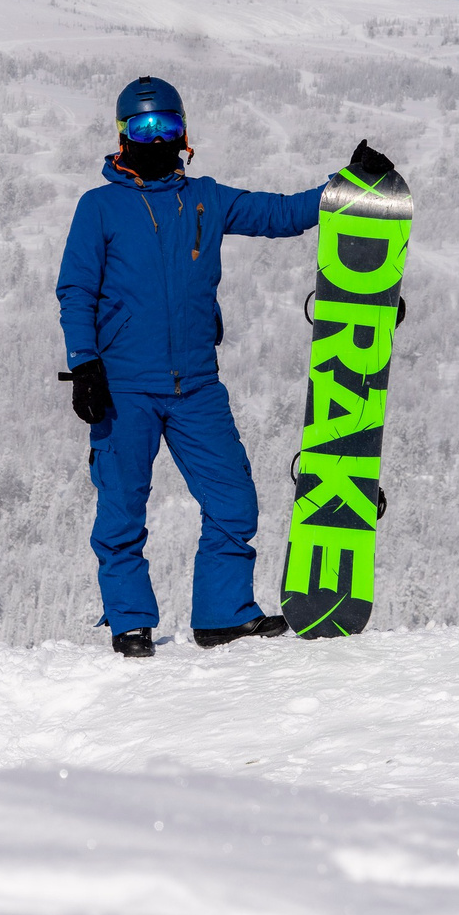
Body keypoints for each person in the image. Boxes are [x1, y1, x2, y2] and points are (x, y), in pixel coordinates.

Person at [56, 74, 395, 657]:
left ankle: (222, 614)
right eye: (142, 127)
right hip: (124, 389)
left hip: (197, 387)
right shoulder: (100, 207)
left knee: (234, 501)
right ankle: (130, 622)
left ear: (183, 133)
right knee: (121, 510)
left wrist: (346, 186)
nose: (154, 137)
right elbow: (76, 290)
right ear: (121, 136)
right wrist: (84, 364)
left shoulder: (208, 199)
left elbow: (281, 214)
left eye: (165, 126)